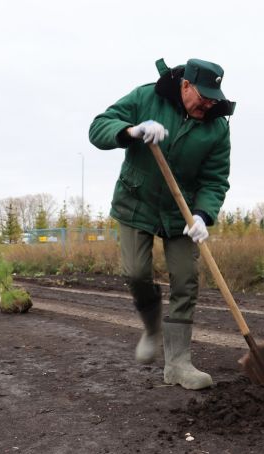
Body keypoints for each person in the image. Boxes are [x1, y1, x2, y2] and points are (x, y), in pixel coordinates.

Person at [88, 58, 235, 390]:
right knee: (136, 272)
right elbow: (98, 128)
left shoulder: (217, 126)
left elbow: (215, 180)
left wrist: (203, 215)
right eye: (204, 95)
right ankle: (152, 327)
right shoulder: (146, 97)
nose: (209, 103)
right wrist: (132, 131)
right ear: (185, 85)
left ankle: (178, 364)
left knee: (186, 280)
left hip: (180, 213)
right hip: (136, 202)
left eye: (215, 97)